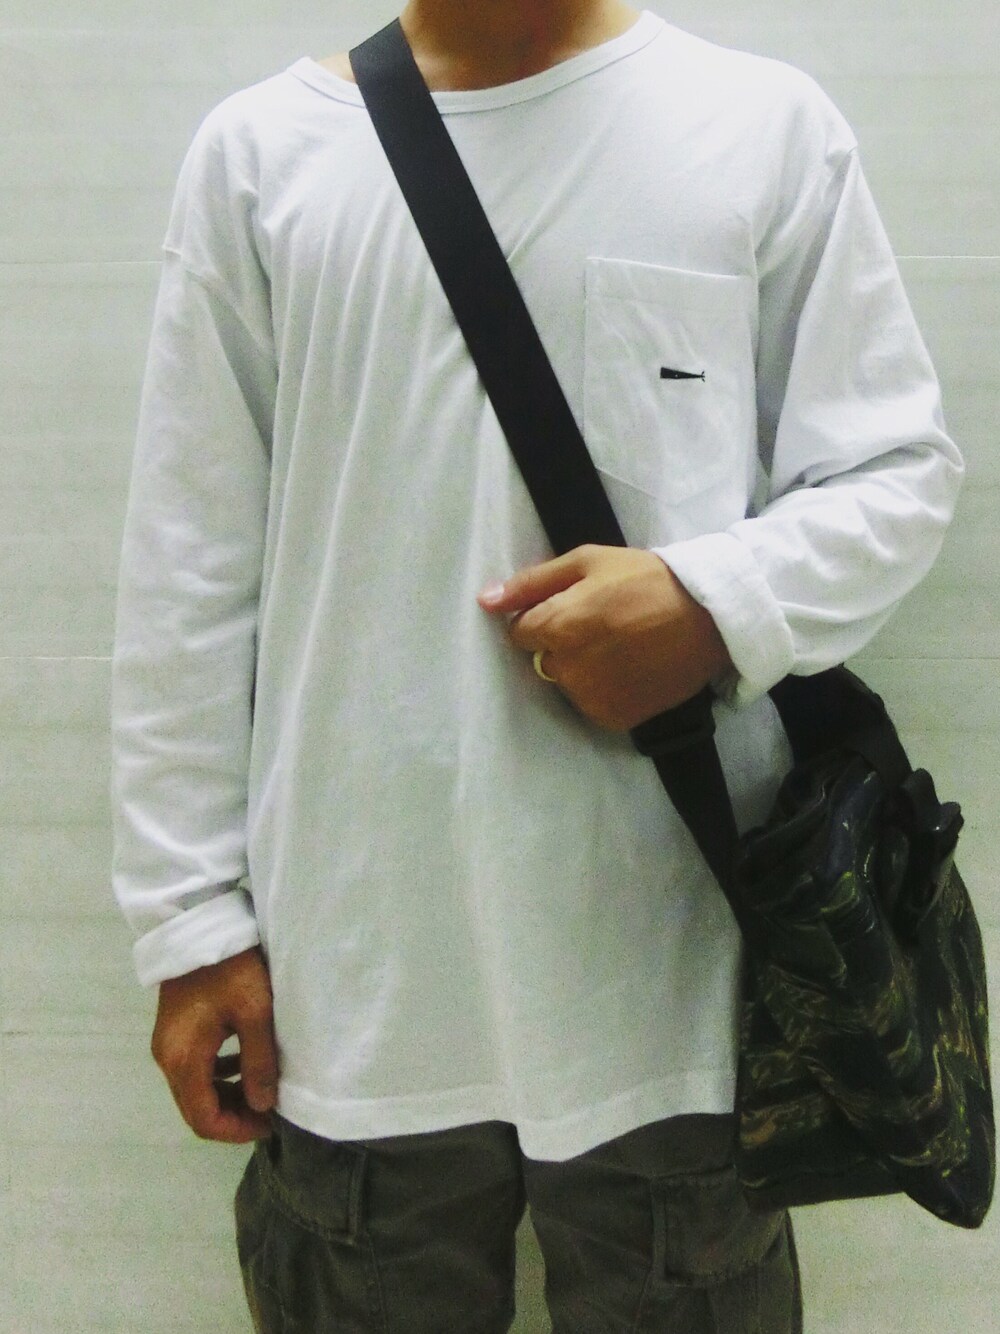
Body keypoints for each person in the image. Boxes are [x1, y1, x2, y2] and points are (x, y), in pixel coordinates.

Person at [110, 2, 963, 1330]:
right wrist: (190, 922)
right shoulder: (265, 156)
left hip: (670, 979)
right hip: (356, 978)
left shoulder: (761, 129)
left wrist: (707, 601)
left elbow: (896, 471)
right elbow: (189, 566)